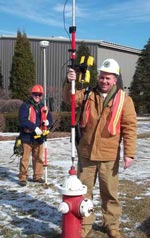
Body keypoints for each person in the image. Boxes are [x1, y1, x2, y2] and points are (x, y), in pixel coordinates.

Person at [62, 59, 137, 238]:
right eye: (102, 77)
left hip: (109, 156)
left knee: (109, 193)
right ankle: (84, 224)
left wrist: (130, 154)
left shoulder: (124, 100)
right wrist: (69, 82)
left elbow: (130, 128)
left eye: (108, 78)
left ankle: (111, 225)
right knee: (84, 192)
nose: (104, 81)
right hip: (86, 153)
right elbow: (68, 99)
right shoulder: (88, 94)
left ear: (115, 79)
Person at [18, 84, 53, 187]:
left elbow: (49, 119)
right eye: (35, 94)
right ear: (32, 94)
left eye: (39, 94)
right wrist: (34, 127)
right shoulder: (25, 106)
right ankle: (23, 177)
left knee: (38, 158)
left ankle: (37, 176)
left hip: (39, 138)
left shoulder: (44, 107)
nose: (37, 96)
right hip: (27, 137)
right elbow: (23, 120)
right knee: (25, 158)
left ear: (42, 96)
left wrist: (48, 123)